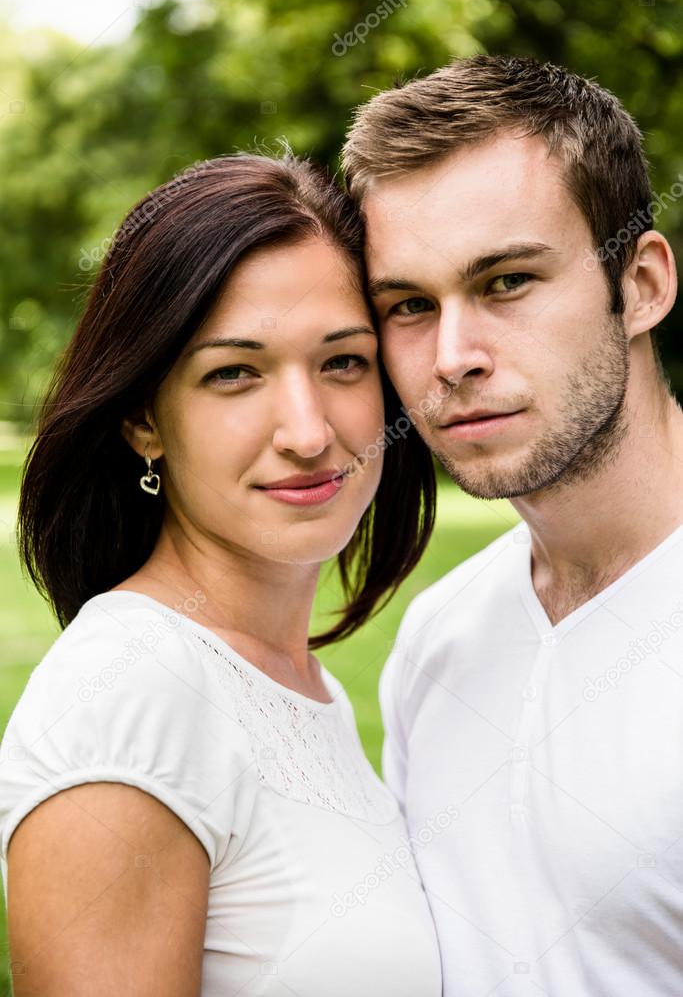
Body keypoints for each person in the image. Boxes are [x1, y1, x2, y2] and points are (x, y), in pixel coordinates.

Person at [0, 152, 442, 996]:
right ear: (142, 418)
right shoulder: (128, 700)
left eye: (342, 361)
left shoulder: (294, 683)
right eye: (234, 372)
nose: (308, 431)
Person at [342, 54, 683, 996]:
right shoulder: (437, 634)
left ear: (642, 285)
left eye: (505, 282)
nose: (451, 358)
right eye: (408, 305)